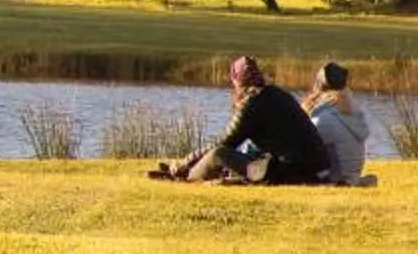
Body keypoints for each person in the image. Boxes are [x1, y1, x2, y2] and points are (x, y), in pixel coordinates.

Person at [150, 55, 330, 185]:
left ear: (238, 82)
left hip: (292, 171)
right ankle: (185, 171)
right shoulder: (278, 93)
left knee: (218, 154)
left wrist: (184, 162)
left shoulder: (252, 104)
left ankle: (183, 176)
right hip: (316, 168)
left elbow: (224, 143)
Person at [301, 60, 377, 186]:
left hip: (335, 177)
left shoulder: (324, 117)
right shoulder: (351, 111)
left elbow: (303, 146)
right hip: (352, 174)